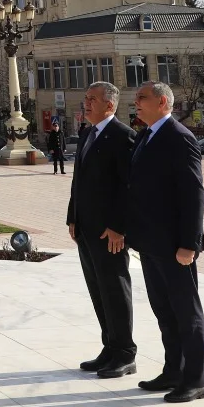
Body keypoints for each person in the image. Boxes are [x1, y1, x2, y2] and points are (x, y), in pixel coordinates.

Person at [127, 82, 204, 403]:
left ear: (162, 102)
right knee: (164, 311)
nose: (136, 103)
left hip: (176, 245)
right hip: (150, 243)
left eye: (141, 98)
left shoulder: (179, 137)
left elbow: (193, 193)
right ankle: (173, 370)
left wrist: (189, 243)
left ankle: (196, 379)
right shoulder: (145, 135)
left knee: (186, 314)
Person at [68, 82, 138, 378]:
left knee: (114, 289)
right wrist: (72, 218)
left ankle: (124, 354)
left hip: (110, 233)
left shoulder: (123, 137)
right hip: (86, 229)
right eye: (85, 98)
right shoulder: (87, 134)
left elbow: (129, 188)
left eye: (92, 99)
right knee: (98, 290)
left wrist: (119, 227)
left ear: (110, 105)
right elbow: (79, 181)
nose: (86, 103)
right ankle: (109, 347)